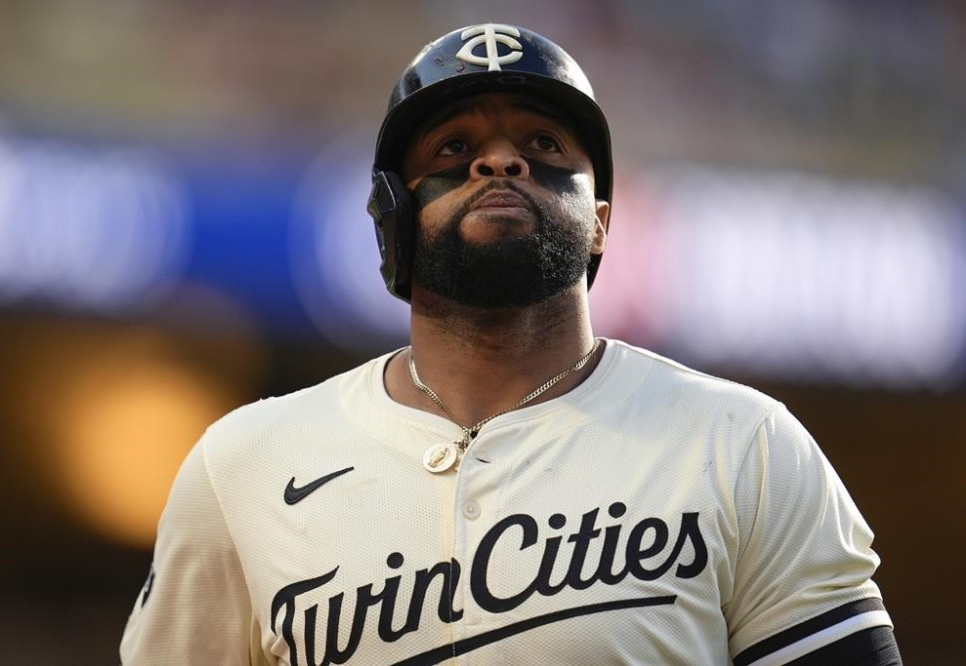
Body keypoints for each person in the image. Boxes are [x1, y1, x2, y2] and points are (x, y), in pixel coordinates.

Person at [120, 23, 902, 665]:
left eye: (545, 144)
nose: (501, 160)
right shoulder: (244, 464)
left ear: (599, 218)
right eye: (453, 149)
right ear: (391, 218)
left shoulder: (747, 447)